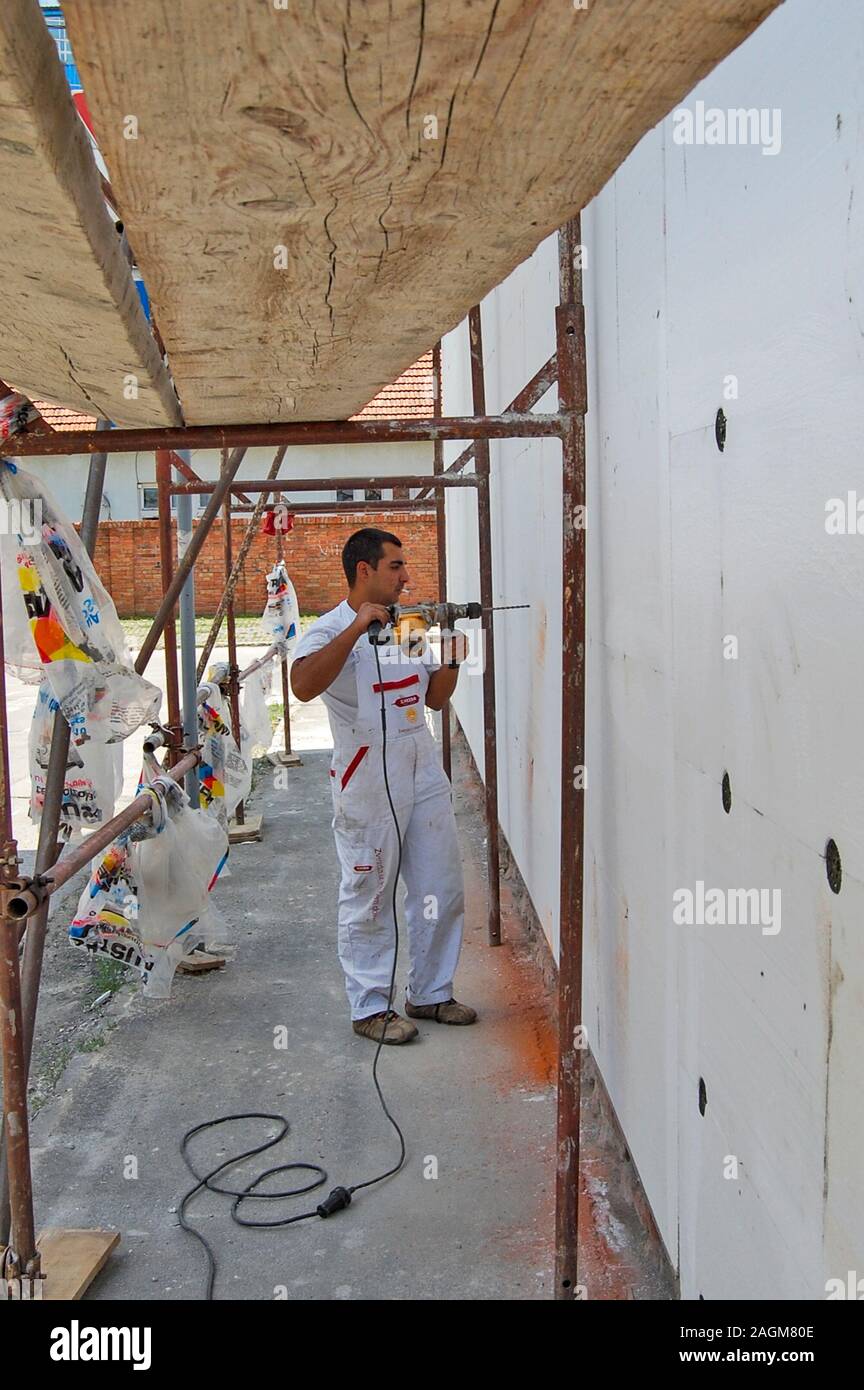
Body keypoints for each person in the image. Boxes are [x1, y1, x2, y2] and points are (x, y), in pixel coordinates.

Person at [290, 527, 477, 1044]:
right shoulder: (326, 630)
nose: (406, 577)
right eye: (396, 566)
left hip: (421, 764)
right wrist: (356, 629)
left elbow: (435, 698)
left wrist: (454, 658)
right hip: (366, 776)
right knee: (369, 892)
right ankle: (370, 1006)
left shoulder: (409, 624)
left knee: (440, 885)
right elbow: (303, 686)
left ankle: (431, 992)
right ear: (364, 570)